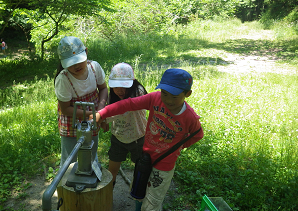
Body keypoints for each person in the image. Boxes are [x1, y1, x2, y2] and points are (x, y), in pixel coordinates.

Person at [91, 68, 204, 211]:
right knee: (138, 190)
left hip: (164, 164)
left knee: (152, 202)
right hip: (145, 156)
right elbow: (128, 104)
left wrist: (178, 147)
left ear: (187, 94)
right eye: (165, 94)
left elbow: (198, 134)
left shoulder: (189, 117)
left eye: (174, 97)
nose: (168, 100)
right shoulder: (155, 99)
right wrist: (102, 113)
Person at [54, 36, 108, 167]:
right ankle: (66, 182)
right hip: (72, 119)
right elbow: (66, 109)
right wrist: (91, 114)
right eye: (70, 63)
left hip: (93, 116)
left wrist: (101, 110)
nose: (76, 65)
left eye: (78, 61)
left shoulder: (94, 67)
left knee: (91, 148)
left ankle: (90, 172)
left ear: (86, 52)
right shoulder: (63, 79)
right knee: (70, 157)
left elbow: (103, 88)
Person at [104, 62, 148, 188]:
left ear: (132, 82)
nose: (119, 90)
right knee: (112, 170)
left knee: (140, 170)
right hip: (118, 137)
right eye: (115, 87)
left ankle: (138, 195)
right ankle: (108, 196)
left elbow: (123, 111)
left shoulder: (138, 92)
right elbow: (109, 108)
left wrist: (103, 118)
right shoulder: (113, 95)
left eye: (124, 86)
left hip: (138, 138)